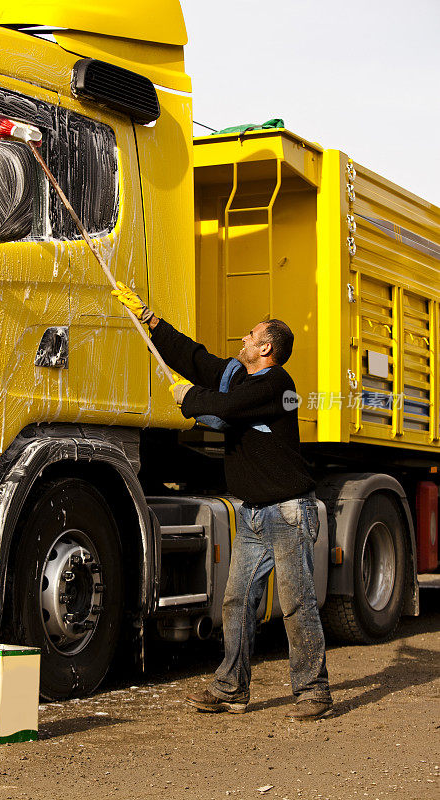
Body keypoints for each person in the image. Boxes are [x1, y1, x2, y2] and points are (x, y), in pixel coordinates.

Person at [112, 282, 333, 721]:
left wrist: (189, 398)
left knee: (297, 602)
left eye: (251, 336)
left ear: (266, 346)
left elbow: (227, 408)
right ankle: (232, 688)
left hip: (288, 512)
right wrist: (151, 322)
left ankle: (314, 693)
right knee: (236, 601)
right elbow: (195, 359)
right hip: (252, 514)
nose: (243, 340)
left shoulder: (275, 384)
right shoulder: (238, 377)